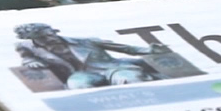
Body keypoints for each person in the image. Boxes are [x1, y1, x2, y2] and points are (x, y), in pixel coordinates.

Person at [13, 22, 165, 89]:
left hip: (112, 68)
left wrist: (149, 50)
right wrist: (30, 61)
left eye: (50, 35)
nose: (50, 39)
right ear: (34, 39)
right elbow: (26, 56)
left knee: (130, 80)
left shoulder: (86, 41)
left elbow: (126, 48)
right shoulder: (26, 46)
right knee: (78, 87)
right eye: (43, 38)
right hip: (79, 74)